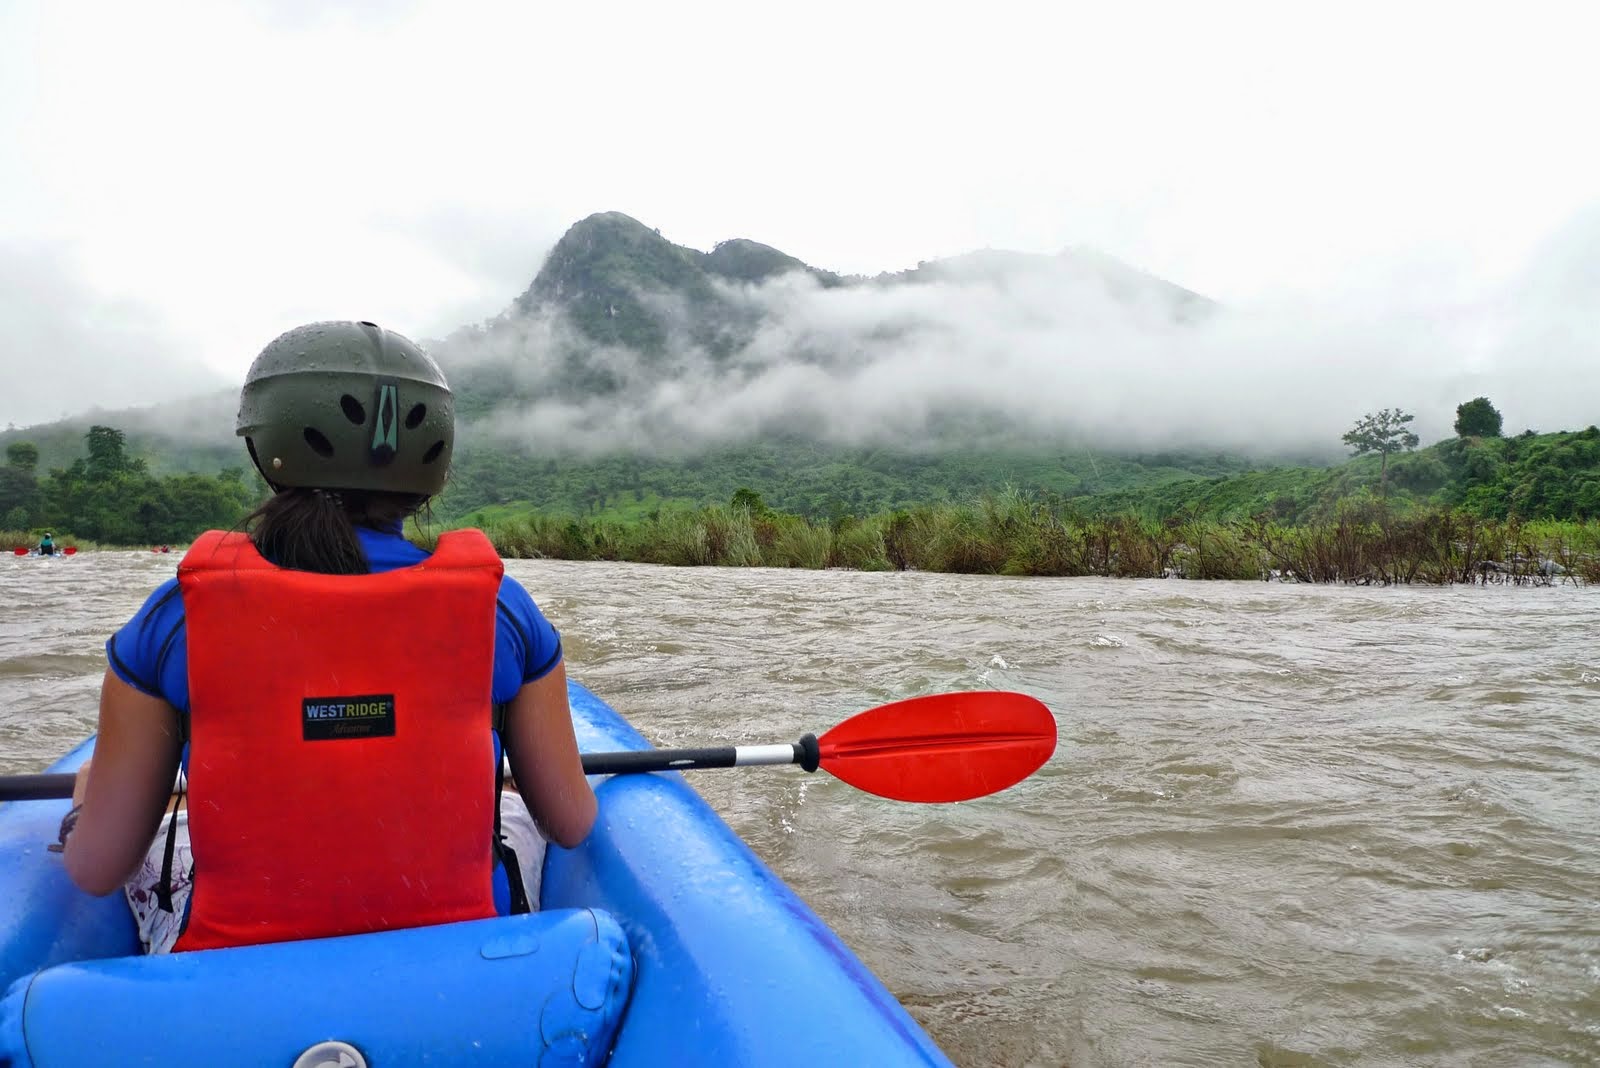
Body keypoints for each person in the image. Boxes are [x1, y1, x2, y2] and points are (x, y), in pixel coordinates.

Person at [58, 320, 596, 954]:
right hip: (452, 962)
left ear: (265, 448)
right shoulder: (503, 609)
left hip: (236, 971)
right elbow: (569, 820)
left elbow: (96, 870)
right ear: (436, 468)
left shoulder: (175, 617)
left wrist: (80, 811)